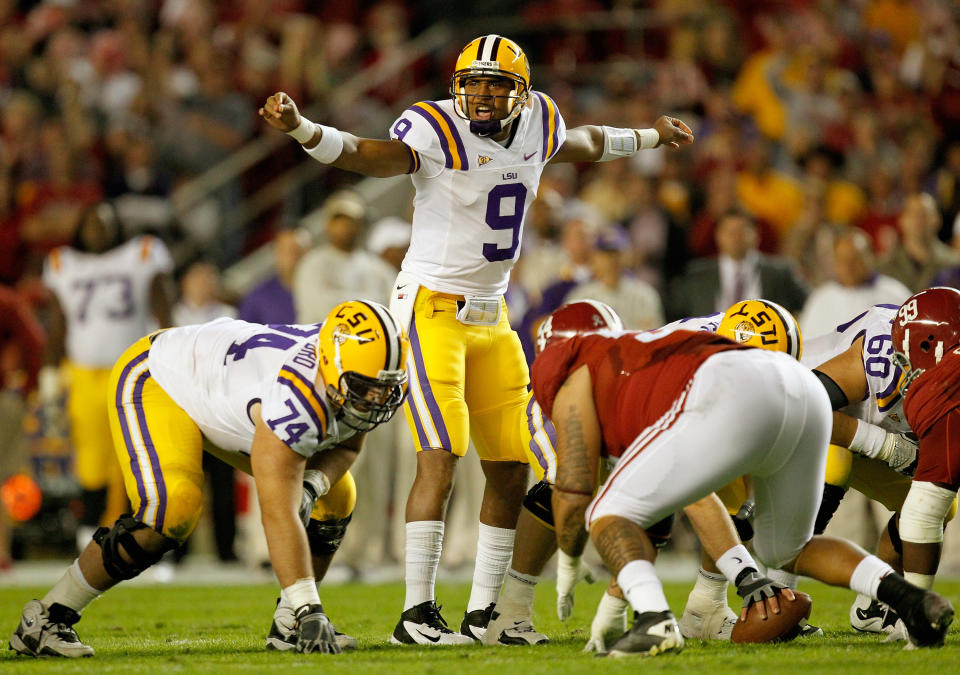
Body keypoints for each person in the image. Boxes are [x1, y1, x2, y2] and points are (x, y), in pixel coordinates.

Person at [259, 33, 694, 644]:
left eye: (496, 84)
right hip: (430, 310)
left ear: (520, 90)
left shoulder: (540, 120)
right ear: (457, 86)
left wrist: (650, 136)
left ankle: (490, 615)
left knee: (513, 466)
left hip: (493, 318)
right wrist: (304, 128)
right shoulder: (435, 129)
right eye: (473, 83)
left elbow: (588, 143)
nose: (483, 95)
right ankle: (416, 614)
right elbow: (364, 153)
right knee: (439, 457)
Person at [530, 306, 953, 656]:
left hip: (726, 386)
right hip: (803, 389)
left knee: (608, 508)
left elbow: (575, 489)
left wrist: (568, 563)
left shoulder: (571, 366)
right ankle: (909, 599)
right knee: (790, 548)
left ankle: (654, 620)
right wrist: (746, 574)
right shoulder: (642, 354)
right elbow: (699, 495)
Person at [9, 300, 409, 658]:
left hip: (221, 386)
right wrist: (312, 608)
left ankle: (289, 625)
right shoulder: (296, 395)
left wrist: (312, 486)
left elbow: (349, 444)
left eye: (384, 389)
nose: (375, 399)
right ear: (332, 366)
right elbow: (276, 513)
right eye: (364, 389)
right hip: (160, 377)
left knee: (337, 496)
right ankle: (46, 617)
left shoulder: (357, 373)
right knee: (171, 511)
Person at [484, 298, 808, 649]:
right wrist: (747, 575)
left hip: (630, 404)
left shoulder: (747, 338)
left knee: (684, 492)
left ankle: (700, 608)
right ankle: (510, 611)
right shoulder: (690, 373)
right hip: (587, 405)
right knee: (572, 490)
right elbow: (692, 491)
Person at [40, 202, 174, 553]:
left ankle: (134, 533)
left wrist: (170, 358)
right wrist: (49, 372)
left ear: (117, 227)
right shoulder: (62, 264)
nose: (97, 231)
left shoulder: (142, 254)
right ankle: (90, 530)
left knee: (133, 453)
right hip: (83, 373)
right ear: (80, 229)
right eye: (91, 224)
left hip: (130, 372)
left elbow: (165, 314)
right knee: (90, 459)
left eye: (104, 224)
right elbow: (58, 325)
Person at [888, 287, 960, 635]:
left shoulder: (941, 386)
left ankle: (916, 617)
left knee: (920, 511)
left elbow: (924, 509)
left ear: (929, 343)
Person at [667, 208, 808, 321]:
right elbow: (673, 316)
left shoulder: (781, 272)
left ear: (756, 235)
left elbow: (811, 305)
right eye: (730, 231)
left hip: (767, 350)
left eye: (742, 231)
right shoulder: (695, 275)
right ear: (718, 235)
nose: (736, 237)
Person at [238, 229, 311, 325]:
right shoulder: (257, 299)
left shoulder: (327, 290)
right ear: (276, 253)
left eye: (299, 250)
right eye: (288, 251)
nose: (295, 257)